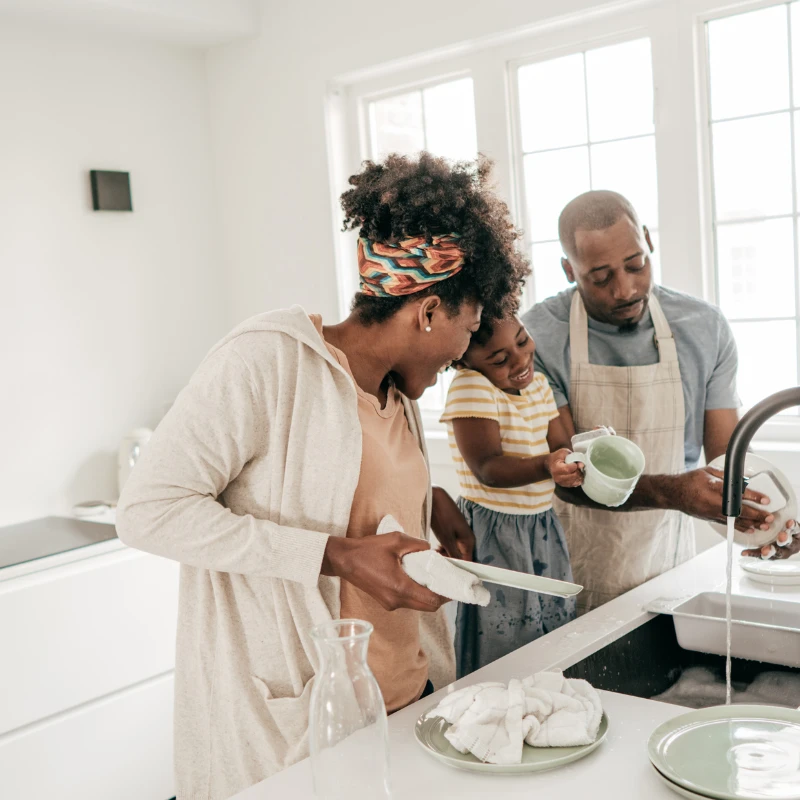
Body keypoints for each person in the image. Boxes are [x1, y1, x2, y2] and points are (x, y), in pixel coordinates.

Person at [115, 152, 528, 800]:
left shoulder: (396, 393)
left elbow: (341, 485)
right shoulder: (267, 362)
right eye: (468, 328)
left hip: (406, 708)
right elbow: (147, 511)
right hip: (302, 731)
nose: (462, 354)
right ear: (427, 311)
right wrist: (337, 555)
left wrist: (429, 499)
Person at [521, 189, 775, 613]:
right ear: (569, 270)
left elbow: (726, 463)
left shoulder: (704, 328)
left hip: (670, 566)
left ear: (649, 241)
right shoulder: (536, 338)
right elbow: (569, 476)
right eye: (600, 277)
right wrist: (676, 492)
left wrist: (770, 523)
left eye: (636, 265)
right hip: (572, 573)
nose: (625, 289)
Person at [440, 313, 582, 677]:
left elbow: (560, 446)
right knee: (504, 636)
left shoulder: (539, 385)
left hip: (541, 526)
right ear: (464, 360)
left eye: (522, 340)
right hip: (494, 531)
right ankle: (500, 701)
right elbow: (487, 468)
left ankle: (547, 699)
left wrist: (584, 453)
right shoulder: (471, 386)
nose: (520, 360)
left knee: (551, 622)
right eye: (500, 359)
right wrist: (548, 465)